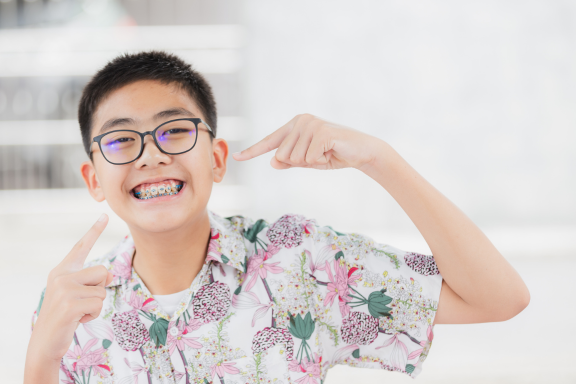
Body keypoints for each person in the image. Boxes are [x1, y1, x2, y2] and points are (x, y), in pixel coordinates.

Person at [24, 50, 530, 384]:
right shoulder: (71, 306)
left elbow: (500, 297)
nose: (150, 155)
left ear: (217, 158)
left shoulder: (300, 261)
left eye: (174, 130)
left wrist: (380, 159)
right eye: (120, 139)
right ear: (94, 178)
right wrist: (41, 358)